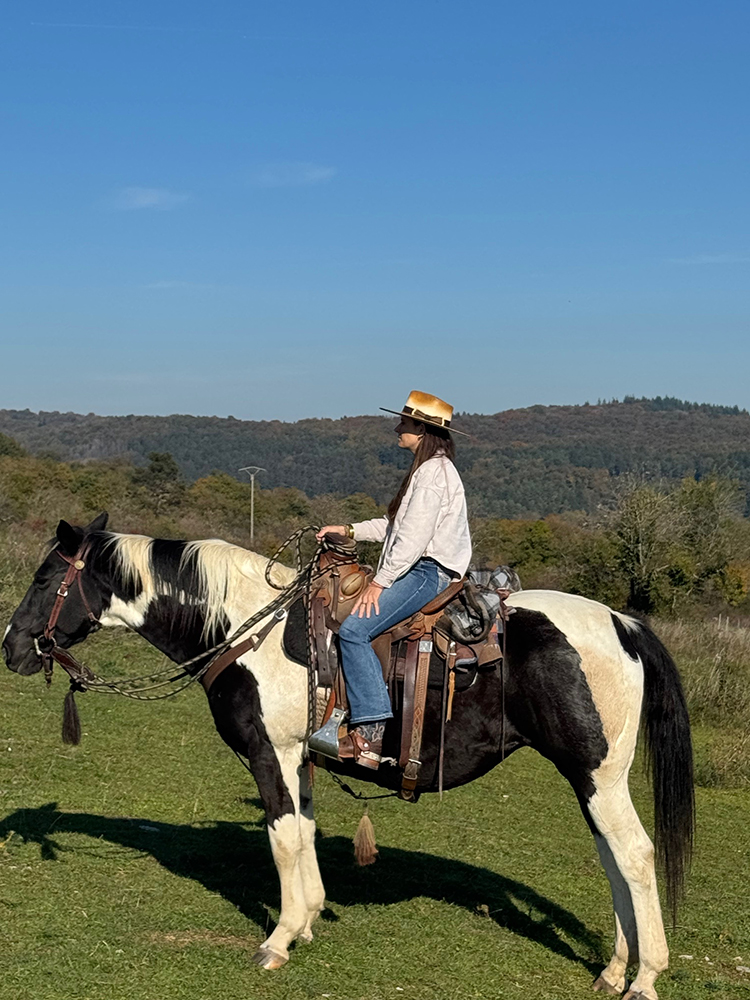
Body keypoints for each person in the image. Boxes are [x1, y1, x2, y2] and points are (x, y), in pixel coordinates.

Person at [311, 390, 472, 769]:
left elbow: (412, 541)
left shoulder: (433, 474)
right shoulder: (429, 468)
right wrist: (348, 529)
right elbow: (395, 527)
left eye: (404, 422)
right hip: (419, 567)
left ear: (421, 428)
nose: (397, 427)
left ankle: (368, 734)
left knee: (353, 631)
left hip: (427, 572)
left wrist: (379, 582)